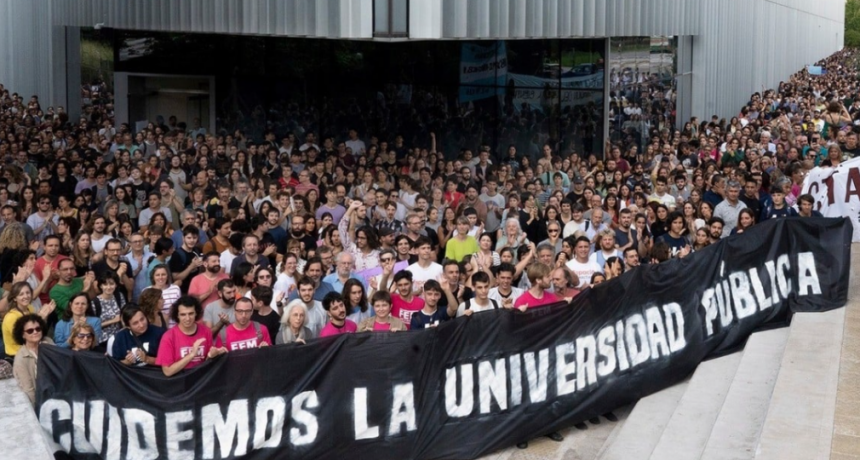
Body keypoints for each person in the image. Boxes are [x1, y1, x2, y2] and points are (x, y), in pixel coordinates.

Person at [156, 296, 226, 376]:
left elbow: (206, 362)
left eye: (191, 313)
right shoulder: (168, 337)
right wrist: (191, 355)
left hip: (201, 381)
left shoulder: (206, 331)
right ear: (177, 315)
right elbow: (167, 371)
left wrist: (212, 356)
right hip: (180, 383)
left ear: (196, 313)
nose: (187, 318)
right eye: (183, 315)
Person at [12, 314, 53, 405]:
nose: (35, 332)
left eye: (38, 329)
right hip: (41, 400)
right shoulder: (21, 358)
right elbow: (28, 390)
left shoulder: (49, 342)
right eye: (30, 331)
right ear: (23, 335)